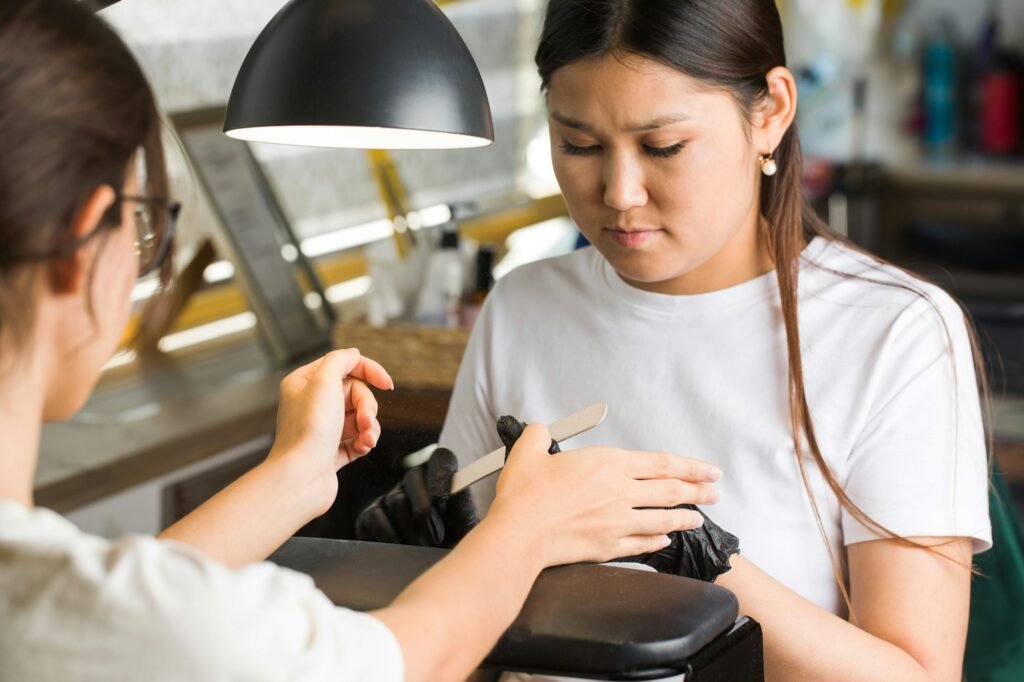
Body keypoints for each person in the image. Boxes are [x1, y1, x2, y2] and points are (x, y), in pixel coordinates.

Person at [0, 2, 721, 681]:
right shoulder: (149, 619)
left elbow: (114, 609)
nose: (621, 191)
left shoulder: (44, 597)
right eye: (143, 223)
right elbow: (406, 661)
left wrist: (293, 480)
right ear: (80, 244)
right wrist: (527, 526)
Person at [437, 1, 993, 680]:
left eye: (662, 146)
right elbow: (457, 640)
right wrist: (420, 556)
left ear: (770, 113)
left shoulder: (893, 331)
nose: (619, 191)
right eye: (578, 144)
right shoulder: (523, 306)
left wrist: (701, 561)